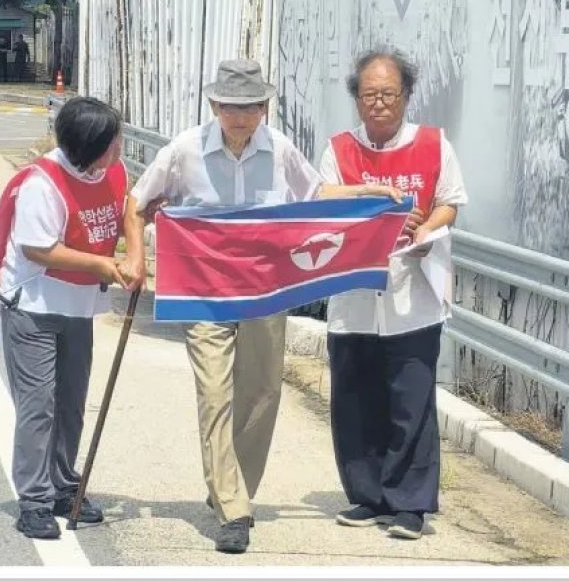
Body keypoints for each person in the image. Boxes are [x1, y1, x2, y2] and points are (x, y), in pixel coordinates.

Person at [124, 58, 405, 554]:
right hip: (204, 290)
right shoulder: (185, 150)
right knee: (215, 393)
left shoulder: (278, 150)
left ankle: (235, 490)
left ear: (264, 108)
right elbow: (138, 202)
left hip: (264, 289)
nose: (239, 116)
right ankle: (233, 508)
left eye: (250, 107)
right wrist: (136, 257)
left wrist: (368, 192)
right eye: (230, 106)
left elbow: (317, 195)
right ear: (214, 105)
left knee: (260, 393)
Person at [317, 48, 468, 540]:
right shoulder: (338, 149)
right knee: (355, 398)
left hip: (413, 295)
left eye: (389, 94)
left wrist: (426, 229)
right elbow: (319, 201)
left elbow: (450, 204)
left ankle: (410, 504)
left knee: (411, 401)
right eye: (369, 95)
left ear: (405, 96)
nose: (379, 104)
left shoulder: (433, 144)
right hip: (354, 295)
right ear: (356, 100)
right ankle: (368, 495)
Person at [0, 97, 138, 539]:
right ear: (85, 145)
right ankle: (34, 499)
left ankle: (62, 484)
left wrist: (135, 254)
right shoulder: (43, 182)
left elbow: (130, 206)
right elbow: (39, 248)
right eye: (111, 144)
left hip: (76, 306)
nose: (118, 151)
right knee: (39, 406)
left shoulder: (111, 170)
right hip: (33, 306)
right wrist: (105, 266)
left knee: (70, 403)